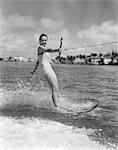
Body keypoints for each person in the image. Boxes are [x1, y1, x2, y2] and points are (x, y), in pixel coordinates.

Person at [31, 33, 62, 107]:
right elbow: (49, 50)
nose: (44, 42)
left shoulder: (43, 50)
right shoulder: (40, 48)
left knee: (56, 88)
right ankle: (57, 107)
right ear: (39, 41)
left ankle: (57, 103)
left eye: (45, 40)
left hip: (50, 69)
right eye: (42, 40)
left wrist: (34, 70)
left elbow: (38, 61)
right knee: (54, 88)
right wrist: (57, 50)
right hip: (46, 70)